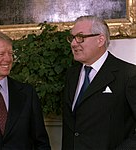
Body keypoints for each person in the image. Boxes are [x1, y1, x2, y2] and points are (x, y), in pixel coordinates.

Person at [62, 15, 136, 150]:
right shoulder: (72, 75)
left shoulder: (128, 75)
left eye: (80, 37)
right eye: (72, 38)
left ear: (100, 40)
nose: (73, 43)